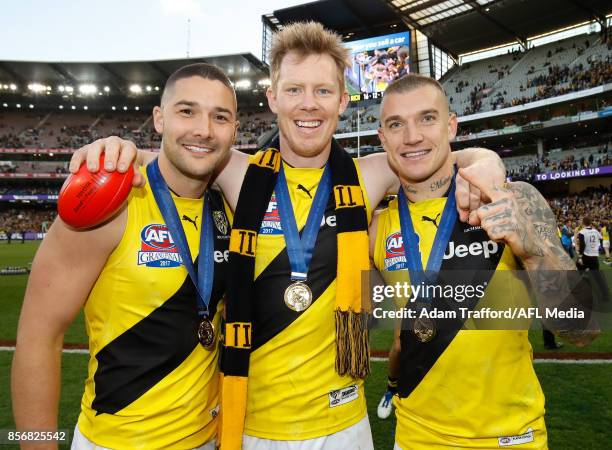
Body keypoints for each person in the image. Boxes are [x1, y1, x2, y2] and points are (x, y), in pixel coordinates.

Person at [68, 22, 508, 450]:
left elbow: (436, 154)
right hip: (252, 424)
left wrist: (486, 163)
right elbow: (173, 156)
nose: (308, 104)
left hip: (344, 424)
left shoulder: (370, 175)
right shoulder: (236, 172)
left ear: (343, 101)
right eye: (294, 90)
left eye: (323, 91)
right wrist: (111, 148)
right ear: (272, 98)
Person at [11, 63, 236, 450]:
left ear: (234, 130)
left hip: (209, 438)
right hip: (118, 442)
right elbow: (37, 338)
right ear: (159, 118)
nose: (204, 129)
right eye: (187, 111)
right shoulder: (108, 203)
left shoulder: (230, 207)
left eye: (220, 117)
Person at [370, 73, 596, 449]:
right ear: (383, 139)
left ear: (451, 125)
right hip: (414, 438)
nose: (412, 136)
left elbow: (581, 329)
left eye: (427, 118)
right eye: (396, 124)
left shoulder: (512, 198)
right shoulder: (376, 229)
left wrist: (531, 253)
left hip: (511, 438)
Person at [578, 216, 610, 301]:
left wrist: (580, 256)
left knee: (578, 270)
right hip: (594, 256)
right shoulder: (595, 231)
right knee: (598, 277)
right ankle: (605, 295)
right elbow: (601, 238)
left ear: (583, 223)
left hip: (586, 256)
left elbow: (582, 245)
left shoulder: (582, 232)